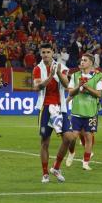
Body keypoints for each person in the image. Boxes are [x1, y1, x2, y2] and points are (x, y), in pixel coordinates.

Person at [32, 43, 70, 183]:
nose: (46, 55)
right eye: (43, 52)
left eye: (48, 52)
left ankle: (56, 167)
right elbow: (37, 87)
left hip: (61, 108)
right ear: (41, 54)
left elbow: (66, 85)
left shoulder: (62, 67)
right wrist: (50, 77)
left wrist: (58, 73)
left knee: (68, 138)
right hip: (45, 108)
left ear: (53, 52)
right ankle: (45, 173)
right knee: (45, 142)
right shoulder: (38, 69)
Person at [66, 54, 102, 171]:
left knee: (89, 137)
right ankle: (71, 152)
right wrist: (79, 86)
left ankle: (86, 162)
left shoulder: (97, 77)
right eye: (81, 60)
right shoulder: (75, 76)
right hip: (77, 112)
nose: (82, 62)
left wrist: (87, 87)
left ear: (91, 63)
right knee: (72, 137)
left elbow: (99, 94)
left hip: (91, 112)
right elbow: (70, 93)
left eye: (85, 60)